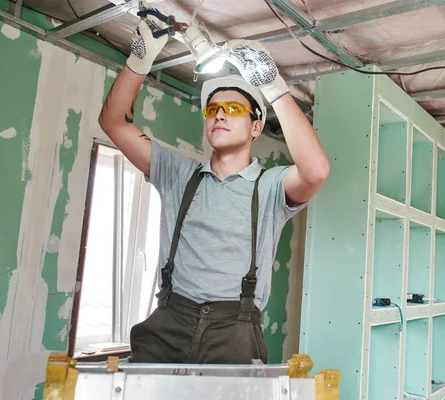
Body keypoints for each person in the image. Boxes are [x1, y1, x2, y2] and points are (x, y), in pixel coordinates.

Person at [98, 4, 329, 365]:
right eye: (213, 109)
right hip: (168, 325)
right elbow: (114, 123)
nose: (219, 114)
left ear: (255, 128)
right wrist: (139, 60)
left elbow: (315, 171)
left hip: (234, 334)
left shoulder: (269, 187)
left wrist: (272, 85)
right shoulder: (178, 172)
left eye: (233, 110)